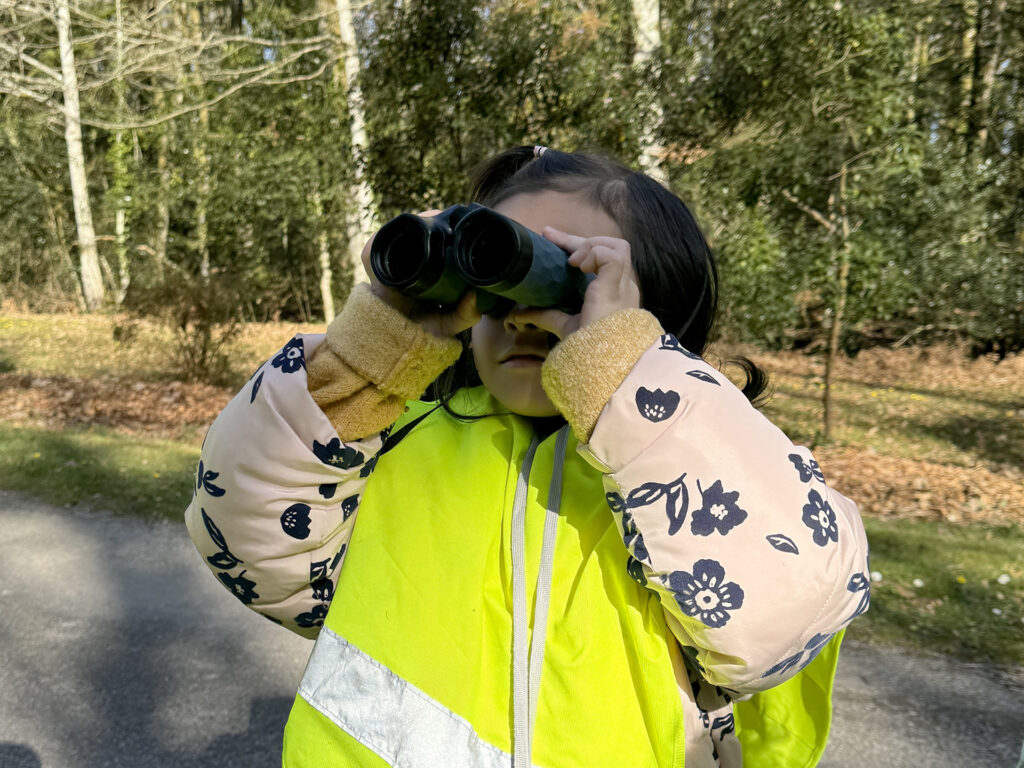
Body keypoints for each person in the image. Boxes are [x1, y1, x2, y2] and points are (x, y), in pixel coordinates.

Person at [186, 146, 871, 767]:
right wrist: (368, 357)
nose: (518, 313)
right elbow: (252, 548)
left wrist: (629, 380)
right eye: (489, 283)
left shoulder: (702, 461)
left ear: (649, 305)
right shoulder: (396, 445)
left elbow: (785, 616)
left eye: (559, 276)